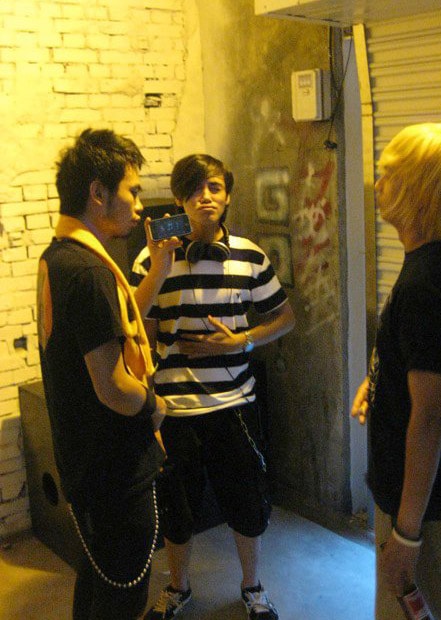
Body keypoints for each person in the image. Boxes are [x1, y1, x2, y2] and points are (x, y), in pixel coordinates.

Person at [130, 153, 295, 620]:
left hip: (234, 403)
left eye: (215, 187)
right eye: (195, 188)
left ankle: (253, 587)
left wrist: (243, 340)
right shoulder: (151, 258)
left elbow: (285, 317)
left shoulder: (250, 255)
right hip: (174, 409)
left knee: (246, 501)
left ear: (227, 197)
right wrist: (158, 270)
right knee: (177, 507)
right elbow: (132, 324)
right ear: (179, 199)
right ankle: (178, 587)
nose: (205, 197)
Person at [351, 119, 441, 620]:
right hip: (425, 496)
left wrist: (407, 535)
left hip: (424, 509)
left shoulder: (428, 283)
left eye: (388, 174)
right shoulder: (438, 258)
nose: (378, 183)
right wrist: (377, 381)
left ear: (417, 190)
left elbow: (430, 416)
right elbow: (425, 361)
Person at [37, 129, 168, 620]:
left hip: (85, 462)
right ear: (98, 192)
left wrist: (158, 269)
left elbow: (114, 325)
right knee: (124, 593)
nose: (139, 204)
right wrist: (155, 405)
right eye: (132, 190)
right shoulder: (89, 272)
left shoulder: (61, 255)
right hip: (114, 470)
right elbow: (113, 387)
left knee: (98, 579)